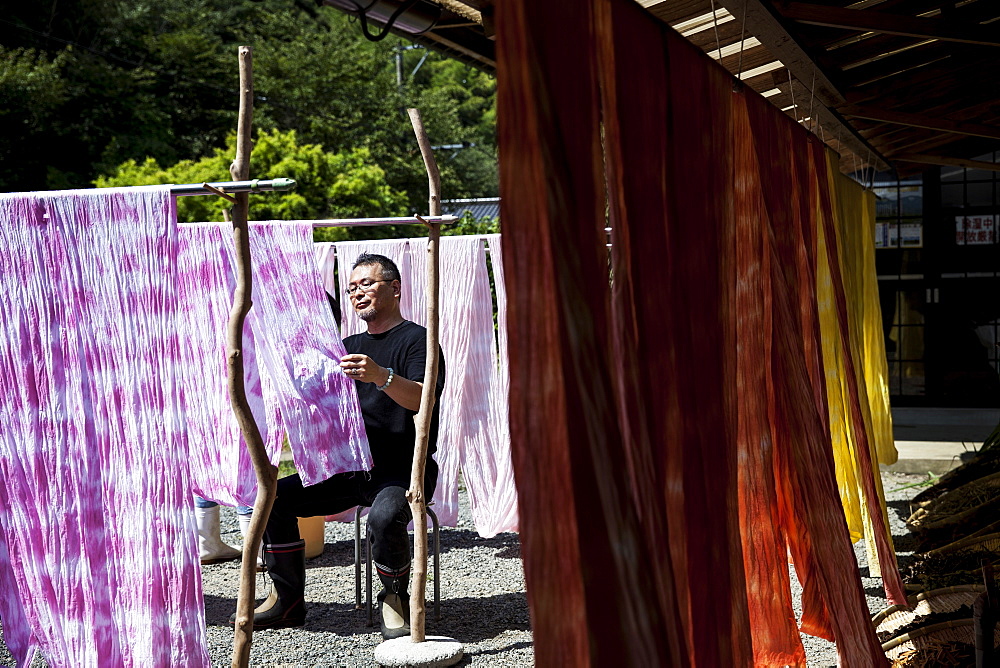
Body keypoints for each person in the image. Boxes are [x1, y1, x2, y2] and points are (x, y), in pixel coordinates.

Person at [230, 253, 444, 640]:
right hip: (349, 468)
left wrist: (382, 376)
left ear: (395, 288)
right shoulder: (344, 345)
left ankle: (394, 598)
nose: (357, 293)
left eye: (366, 284)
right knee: (274, 498)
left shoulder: (418, 340)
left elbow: (422, 399)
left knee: (383, 516)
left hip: (402, 469)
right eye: (351, 288)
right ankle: (288, 598)